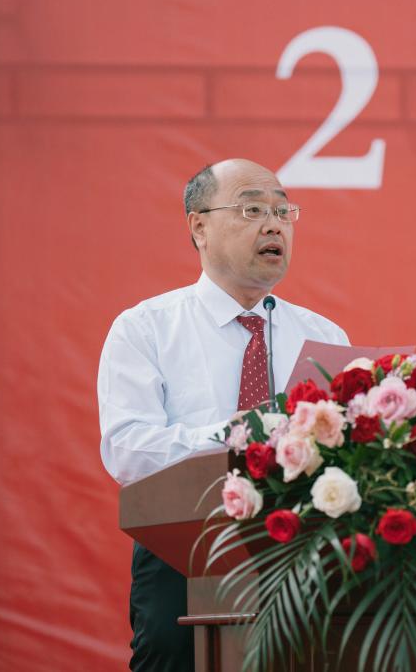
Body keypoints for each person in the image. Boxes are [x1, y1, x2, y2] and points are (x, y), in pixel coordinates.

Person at [97, 158, 348, 671]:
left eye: (283, 212)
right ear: (199, 227)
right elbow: (129, 450)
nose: (274, 225)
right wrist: (243, 436)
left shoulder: (324, 336)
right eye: (252, 210)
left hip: (299, 551)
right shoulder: (146, 328)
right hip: (185, 548)